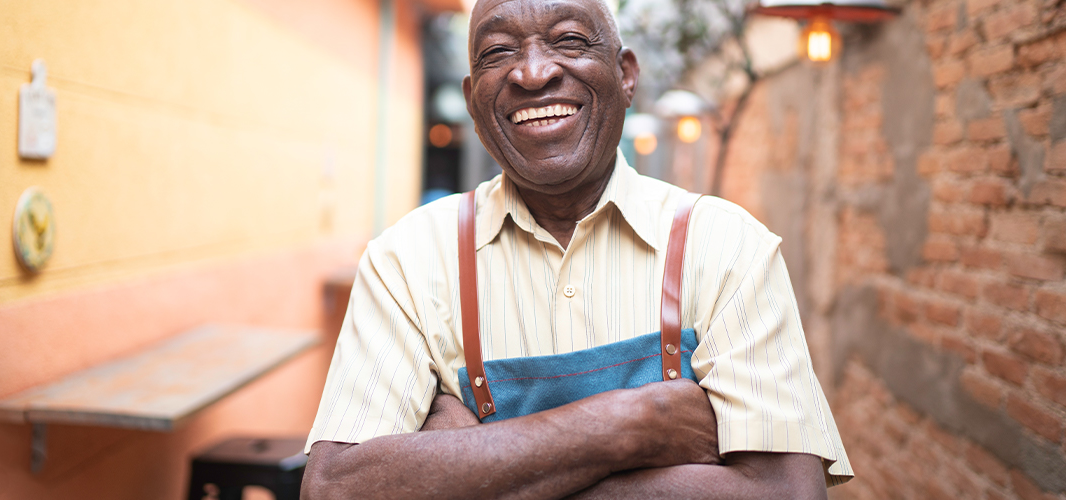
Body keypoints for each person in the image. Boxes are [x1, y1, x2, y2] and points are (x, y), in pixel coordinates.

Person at [300, 0, 852, 497]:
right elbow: (336, 490)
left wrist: (469, 463)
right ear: (472, 99)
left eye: (569, 40)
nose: (534, 73)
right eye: (497, 51)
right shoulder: (407, 260)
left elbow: (786, 492)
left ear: (626, 75)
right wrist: (634, 424)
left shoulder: (728, 246)